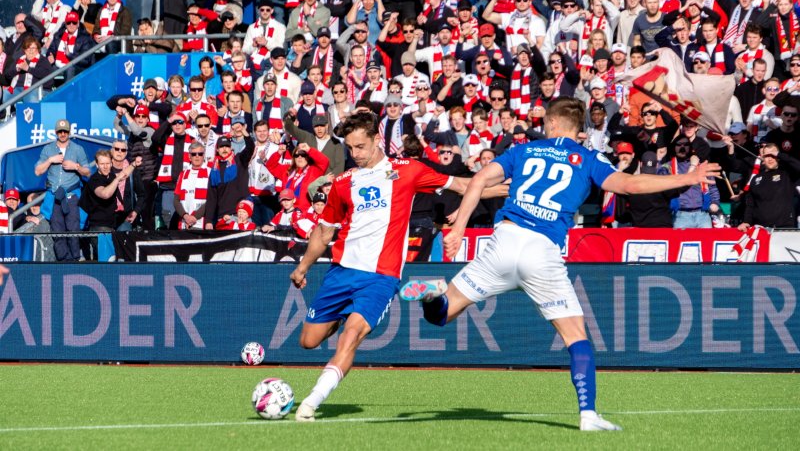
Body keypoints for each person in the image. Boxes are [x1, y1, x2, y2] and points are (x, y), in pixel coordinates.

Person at [400, 97, 720, 431]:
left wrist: (460, 228)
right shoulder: (588, 159)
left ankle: (432, 293)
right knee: (575, 336)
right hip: (542, 251)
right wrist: (685, 178)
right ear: (578, 129)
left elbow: (479, 181)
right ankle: (588, 416)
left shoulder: (524, 150)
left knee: (442, 314)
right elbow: (629, 185)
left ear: (551, 124)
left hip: (504, 242)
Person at [288, 111, 503, 422]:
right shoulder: (343, 183)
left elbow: (462, 185)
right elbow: (325, 232)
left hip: (381, 276)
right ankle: (341, 314)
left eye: (360, 146)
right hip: (341, 272)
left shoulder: (408, 170)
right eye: (349, 148)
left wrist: (509, 189)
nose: (354, 154)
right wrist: (303, 267)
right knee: (308, 342)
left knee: (352, 336)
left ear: (377, 140)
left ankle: (312, 401)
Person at [34, 119, 91, 261]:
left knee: (73, 229)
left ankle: (75, 258)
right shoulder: (48, 149)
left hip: (72, 195)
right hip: (54, 196)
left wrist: (76, 166)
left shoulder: (78, 149)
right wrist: (50, 160)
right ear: (56, 132)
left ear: (69, 132)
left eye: (65, 131)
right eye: (60, 131)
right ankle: (63, 260)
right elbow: (37, 171)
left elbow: (88, 172)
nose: (63, 134)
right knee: (57, 230)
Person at [738, 143, 800, 231]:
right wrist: (746, 221)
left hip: (784, 228)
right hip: (761, 229)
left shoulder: (787, 173)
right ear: (762, 158)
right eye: (767, 156)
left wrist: (780, 154)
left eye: (773, 155)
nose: (770, 159)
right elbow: (750, 204)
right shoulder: (755, 179)